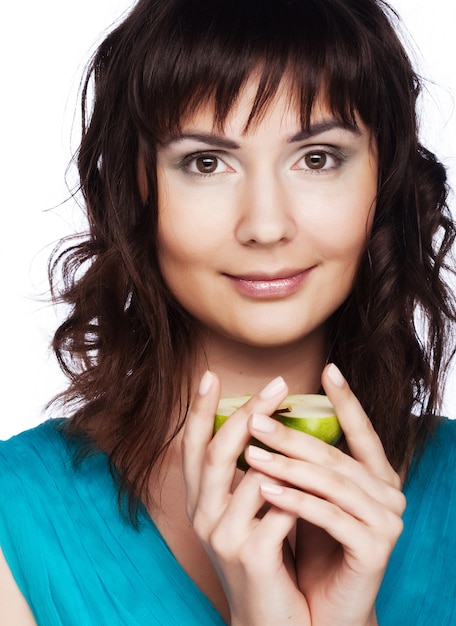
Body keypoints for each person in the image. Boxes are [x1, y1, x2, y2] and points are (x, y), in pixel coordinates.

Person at [1, 0, 455, 623]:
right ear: (135, 192)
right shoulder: (14, 518)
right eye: (205, 162)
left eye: (318, 157)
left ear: (387, 183)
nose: (266, 226)